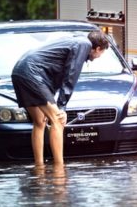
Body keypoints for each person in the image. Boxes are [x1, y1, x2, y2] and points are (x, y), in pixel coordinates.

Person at [11, 30, 109, 165]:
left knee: (40, 121)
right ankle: (59, 168)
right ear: (97, 48)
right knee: (58, 119)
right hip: (32, 73)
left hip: (20, 71)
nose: (99, 56)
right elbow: (71, 75)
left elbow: (55, 74)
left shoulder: (75, 41)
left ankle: (39, 166)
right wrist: (61, 106)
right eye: (102, 52)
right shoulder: (84, 44)